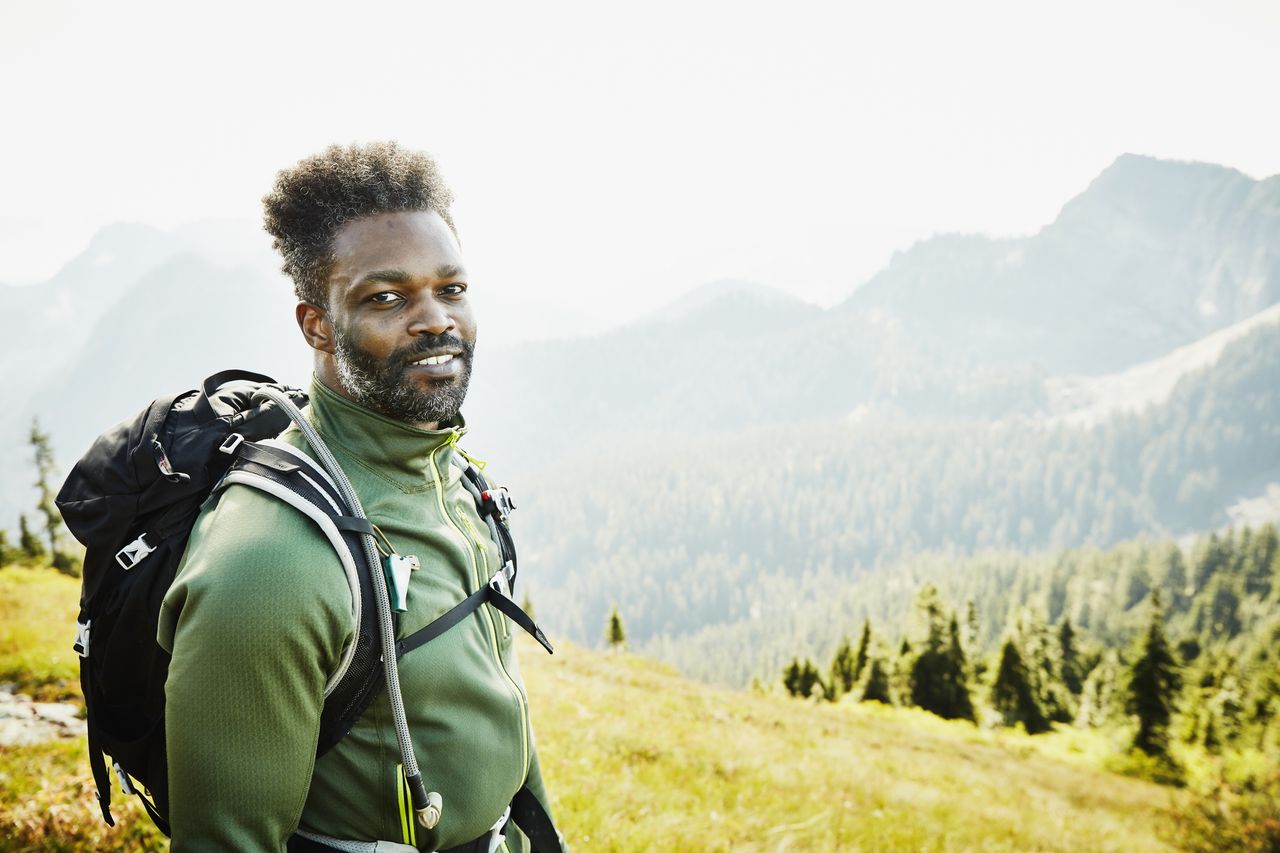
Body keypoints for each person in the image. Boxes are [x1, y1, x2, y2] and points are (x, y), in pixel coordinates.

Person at [157, 142, 558, 852]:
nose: (435, 318)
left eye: (451, 288)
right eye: (386, 297)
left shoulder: (450, 475)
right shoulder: (272, 561)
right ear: (316, 325)